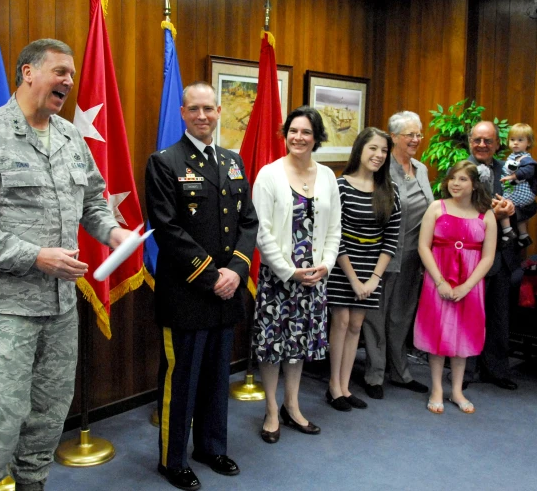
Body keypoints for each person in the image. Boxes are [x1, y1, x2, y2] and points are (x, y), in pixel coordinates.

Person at [0, 39, 132, 491]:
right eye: (60, 71)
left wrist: (112, 232)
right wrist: (34, 256)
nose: (68, 80)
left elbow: (92, 200)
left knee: (45, 426)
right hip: (1, 314)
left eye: (71, 73)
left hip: (59, 312)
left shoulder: (70, 137)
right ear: (28, 73)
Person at [145, 81, 258, 490]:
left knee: (215, 377)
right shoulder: (165, 162)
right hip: (188, 294)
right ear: (183, 113)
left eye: (209, 108)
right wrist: (214, 276)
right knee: (183, 380)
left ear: (219, 111)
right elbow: (167, 229)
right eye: (194, 109)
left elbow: (248, 221)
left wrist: (237, 272)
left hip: (227, 293)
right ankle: (172, 460)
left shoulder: (233, 160)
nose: (203, 116)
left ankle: (210, 446)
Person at [252, 107, 341, 443]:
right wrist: (289, 271)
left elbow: (335, 228)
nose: (298, 137)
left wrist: (327, 264)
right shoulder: (269, 174)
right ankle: (272, 409)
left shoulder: (329, 177)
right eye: (293, 131)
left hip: (315, 277)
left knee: (299, 345)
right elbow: (261, 232)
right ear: (285, 133)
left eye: (306, 132)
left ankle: (292, 404)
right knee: (273, 346)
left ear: (316, 137)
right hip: (279, 277)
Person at [326, 127, 401, 411]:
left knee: (357, 325)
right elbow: (335, 234)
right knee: (342, 322)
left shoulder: (388, 191)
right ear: (360, 150)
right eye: (373, 149)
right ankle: (333, 387)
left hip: (372, 271)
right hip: (342, 267)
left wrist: (374, 278)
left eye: (384, 151)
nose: (379, 155)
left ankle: (345, 387)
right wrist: (355, 280)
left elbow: (391, 239)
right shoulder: (340, 186)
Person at [414, 161, 496, 414]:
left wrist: (467, 286)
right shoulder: (436, 207)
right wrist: (440, 281)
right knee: (438, 331)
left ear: (474, 185)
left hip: (470, 283)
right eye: (452, 178)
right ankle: (437, 388)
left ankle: (457, 390)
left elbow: (488, 257)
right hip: (438, 278)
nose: (455, 184)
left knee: (463, 334)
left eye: (462, 179)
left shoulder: (486, 214)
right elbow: (423, 246)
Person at [362, 111, 433, 400]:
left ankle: (400, 372)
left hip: (414, 257)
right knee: (375, 317)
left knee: (402, 316)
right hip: (383, 254)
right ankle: (374, 375)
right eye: (410, 135)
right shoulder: (380, 169)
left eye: (419, 134)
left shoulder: (422, 169)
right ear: (393, 138)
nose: (416, 139)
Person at [466, 121, 526, 390]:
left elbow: (531, 201)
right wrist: (491, 215)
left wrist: (513, 210)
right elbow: (451, 205)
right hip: (469, 252)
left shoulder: (511, 170)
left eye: (488, 141)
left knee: (499, 313)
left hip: (502, 254)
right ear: (470, 142)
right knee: (468, 312)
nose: (482, 145)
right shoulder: (460, 170)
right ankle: (464, 370)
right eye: (477, 140)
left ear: (497, 144)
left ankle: (497, 369)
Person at [499, 123, 537, 249]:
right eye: (512, 140)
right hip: (517, 190)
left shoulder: (525, 158)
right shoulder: (513, 156)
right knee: (520, 215)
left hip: (522, 192)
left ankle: (507, 231)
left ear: (528, 143)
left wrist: (512, 177)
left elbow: (529, 171)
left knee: (503, 205)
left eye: (520, 140)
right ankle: (524, 236)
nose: (515, 143)